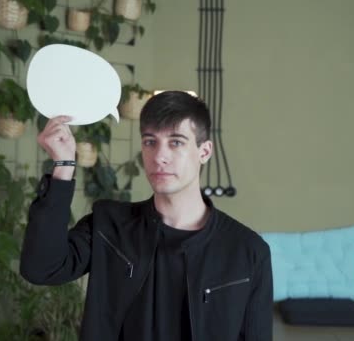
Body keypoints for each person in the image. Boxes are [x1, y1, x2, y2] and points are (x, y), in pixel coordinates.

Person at [20, 91, 273, 341]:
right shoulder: (109, 225)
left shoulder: (248, 252)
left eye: (176, 142)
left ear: (204, 152)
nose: (159, 157)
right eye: (150, 142)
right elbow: (41, 269)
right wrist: (63, 165)